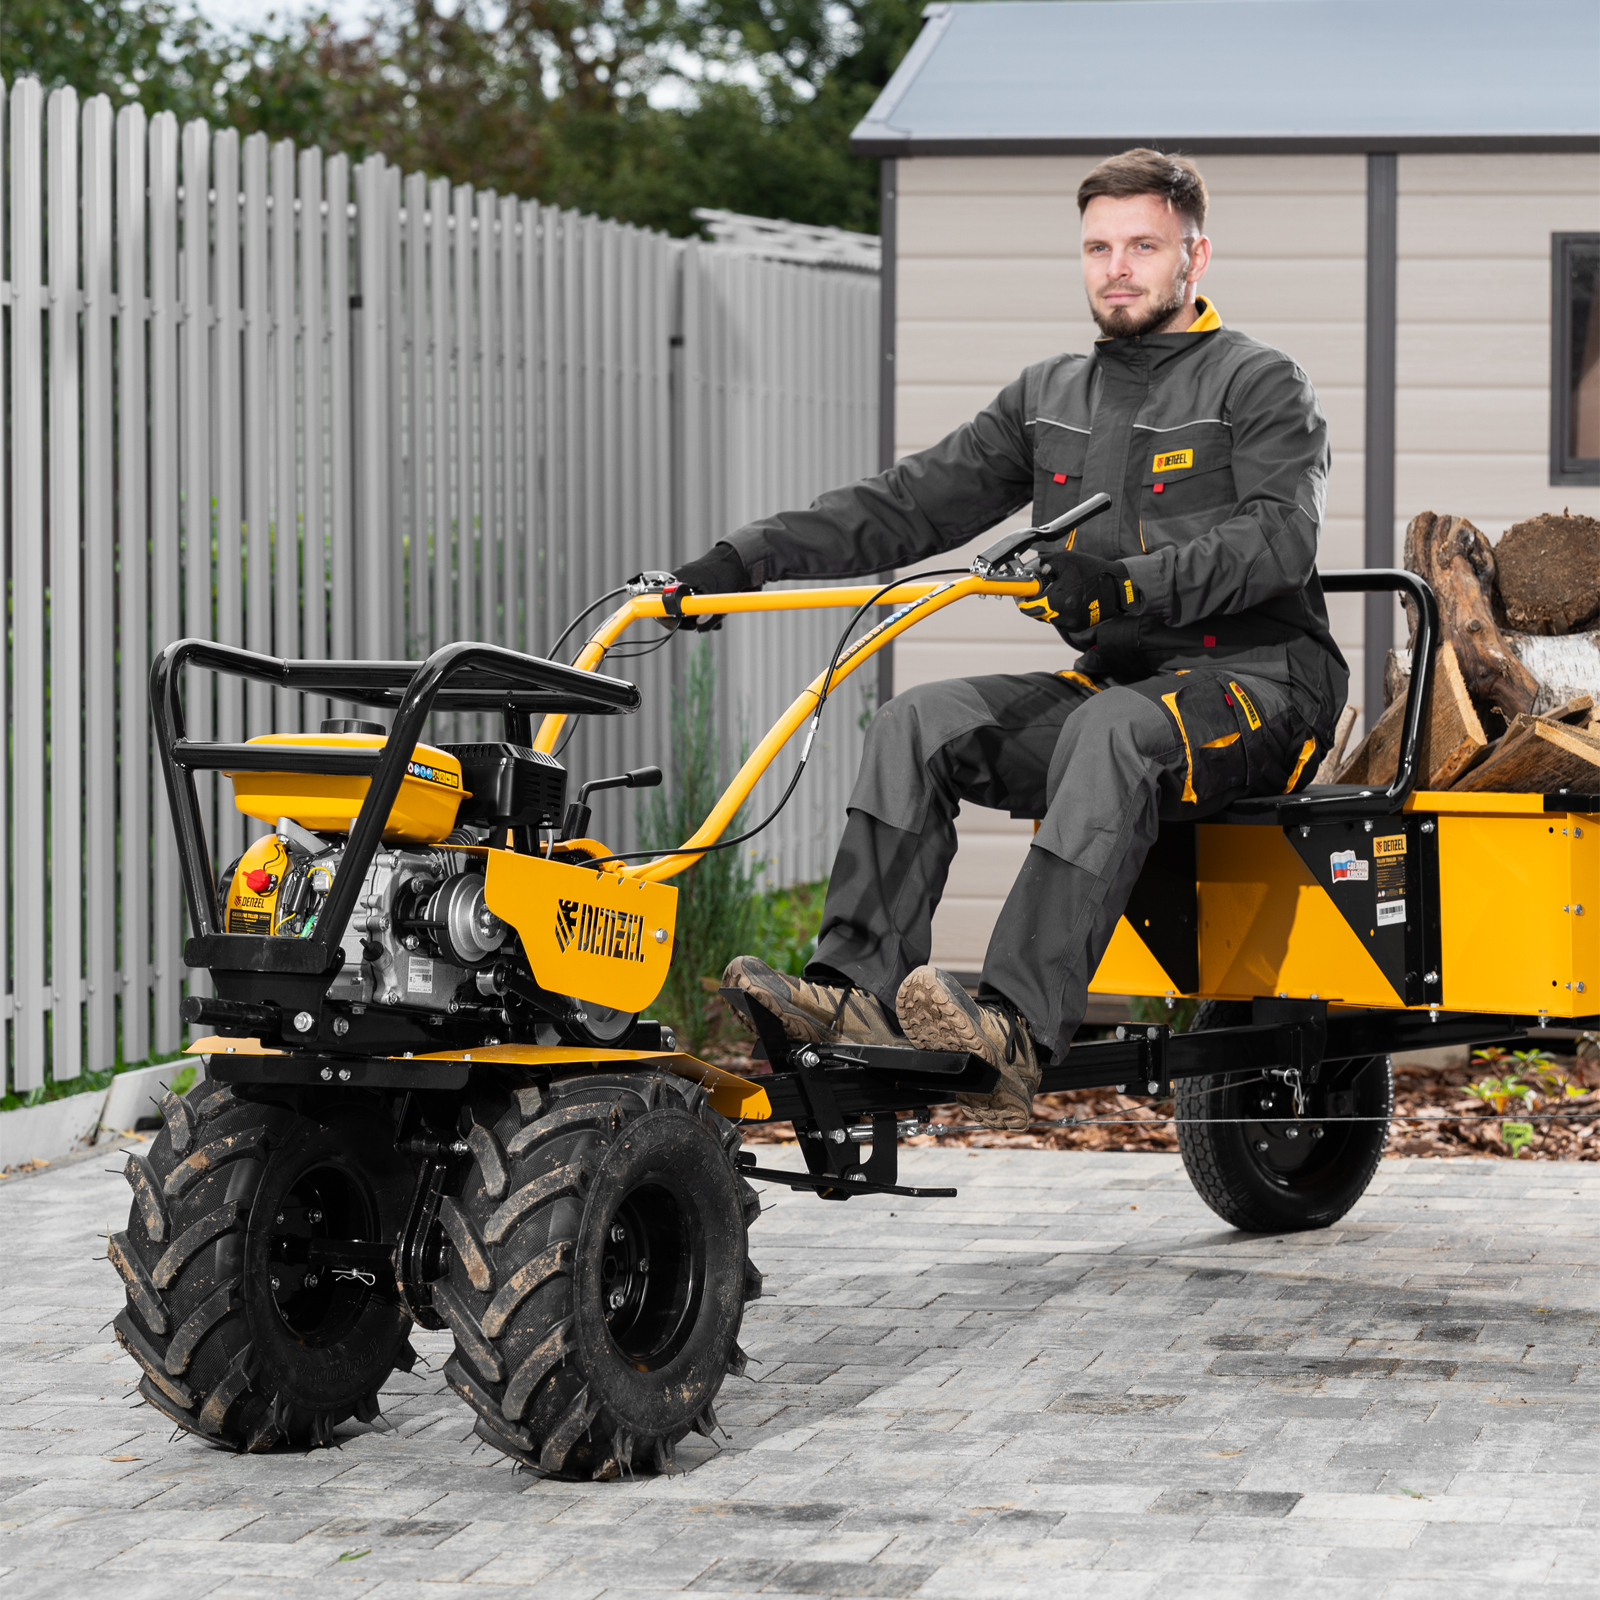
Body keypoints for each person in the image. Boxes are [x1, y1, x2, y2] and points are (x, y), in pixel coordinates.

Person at [667, 148, 1348, 1131]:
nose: (1118, 268)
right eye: (1098, 248)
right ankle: (852, 990)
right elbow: (906, 504)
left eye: (1143, 246)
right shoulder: (1049, 396)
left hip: (1259, 685)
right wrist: (744, 557)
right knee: (918, 721)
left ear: (1194, 257)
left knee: (1110, 732)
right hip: (1125, 686)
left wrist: (1125, 583)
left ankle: (1016, 1029)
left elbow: (1279, 540)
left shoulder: (1259, 381)